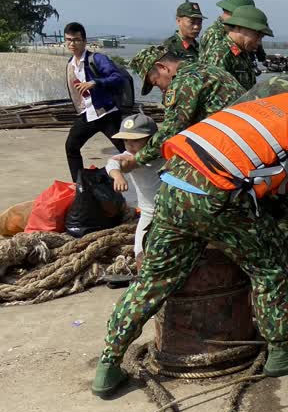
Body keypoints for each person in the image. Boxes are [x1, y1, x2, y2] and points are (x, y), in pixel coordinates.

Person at [93, 73, 288, 397]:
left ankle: (108, 366)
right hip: (213, 200)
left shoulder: (267, 107)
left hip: (172, 189)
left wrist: (283, 212)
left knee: (153, 281)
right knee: (272, 265)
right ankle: (280, 352)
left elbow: (250, 170)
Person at [120, 46, 244, 172]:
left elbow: (170, 131)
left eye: (156, 83)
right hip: (244, 139)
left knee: (173, 186)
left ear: (162, 67)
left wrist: (137, 160)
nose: (161, 89)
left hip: (231, 150)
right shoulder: (210, 70)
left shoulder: (184, 82)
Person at [62, 22, 126, 182]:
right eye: (68, 40)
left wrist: (96, 82)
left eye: (76, 40)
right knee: (71, 146)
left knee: (127, 151)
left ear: (84, 41)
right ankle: (79, 185)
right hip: (88, 115)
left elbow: (118, 78)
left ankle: (144, 181)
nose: (72, 44)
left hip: (107, 113)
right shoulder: (71, 64)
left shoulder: (96, 59)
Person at [105, 112, 161, 259]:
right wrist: (118, 176)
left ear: (151, 139)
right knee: (140, 250)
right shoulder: (129, 158)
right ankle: (141, 277)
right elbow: (113, 163)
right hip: (149, 212)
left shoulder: (164, 152)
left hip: (172, 211)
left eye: (135, 140)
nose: (130, 145)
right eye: (126, 140)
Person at [200, 4, 272, 90]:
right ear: (239, 27)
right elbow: (217, 93)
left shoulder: (242, 53)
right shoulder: (221, 55)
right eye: (256, 35)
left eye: (261, 38)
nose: (259, 42)